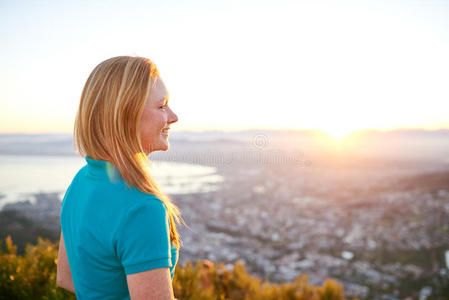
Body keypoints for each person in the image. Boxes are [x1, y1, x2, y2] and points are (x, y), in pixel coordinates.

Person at [56, 56, 186, 299]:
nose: (173, 116)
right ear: (127, 114)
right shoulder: (142, 208)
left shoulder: (81, 181)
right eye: (161, 106)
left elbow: (67, 278)